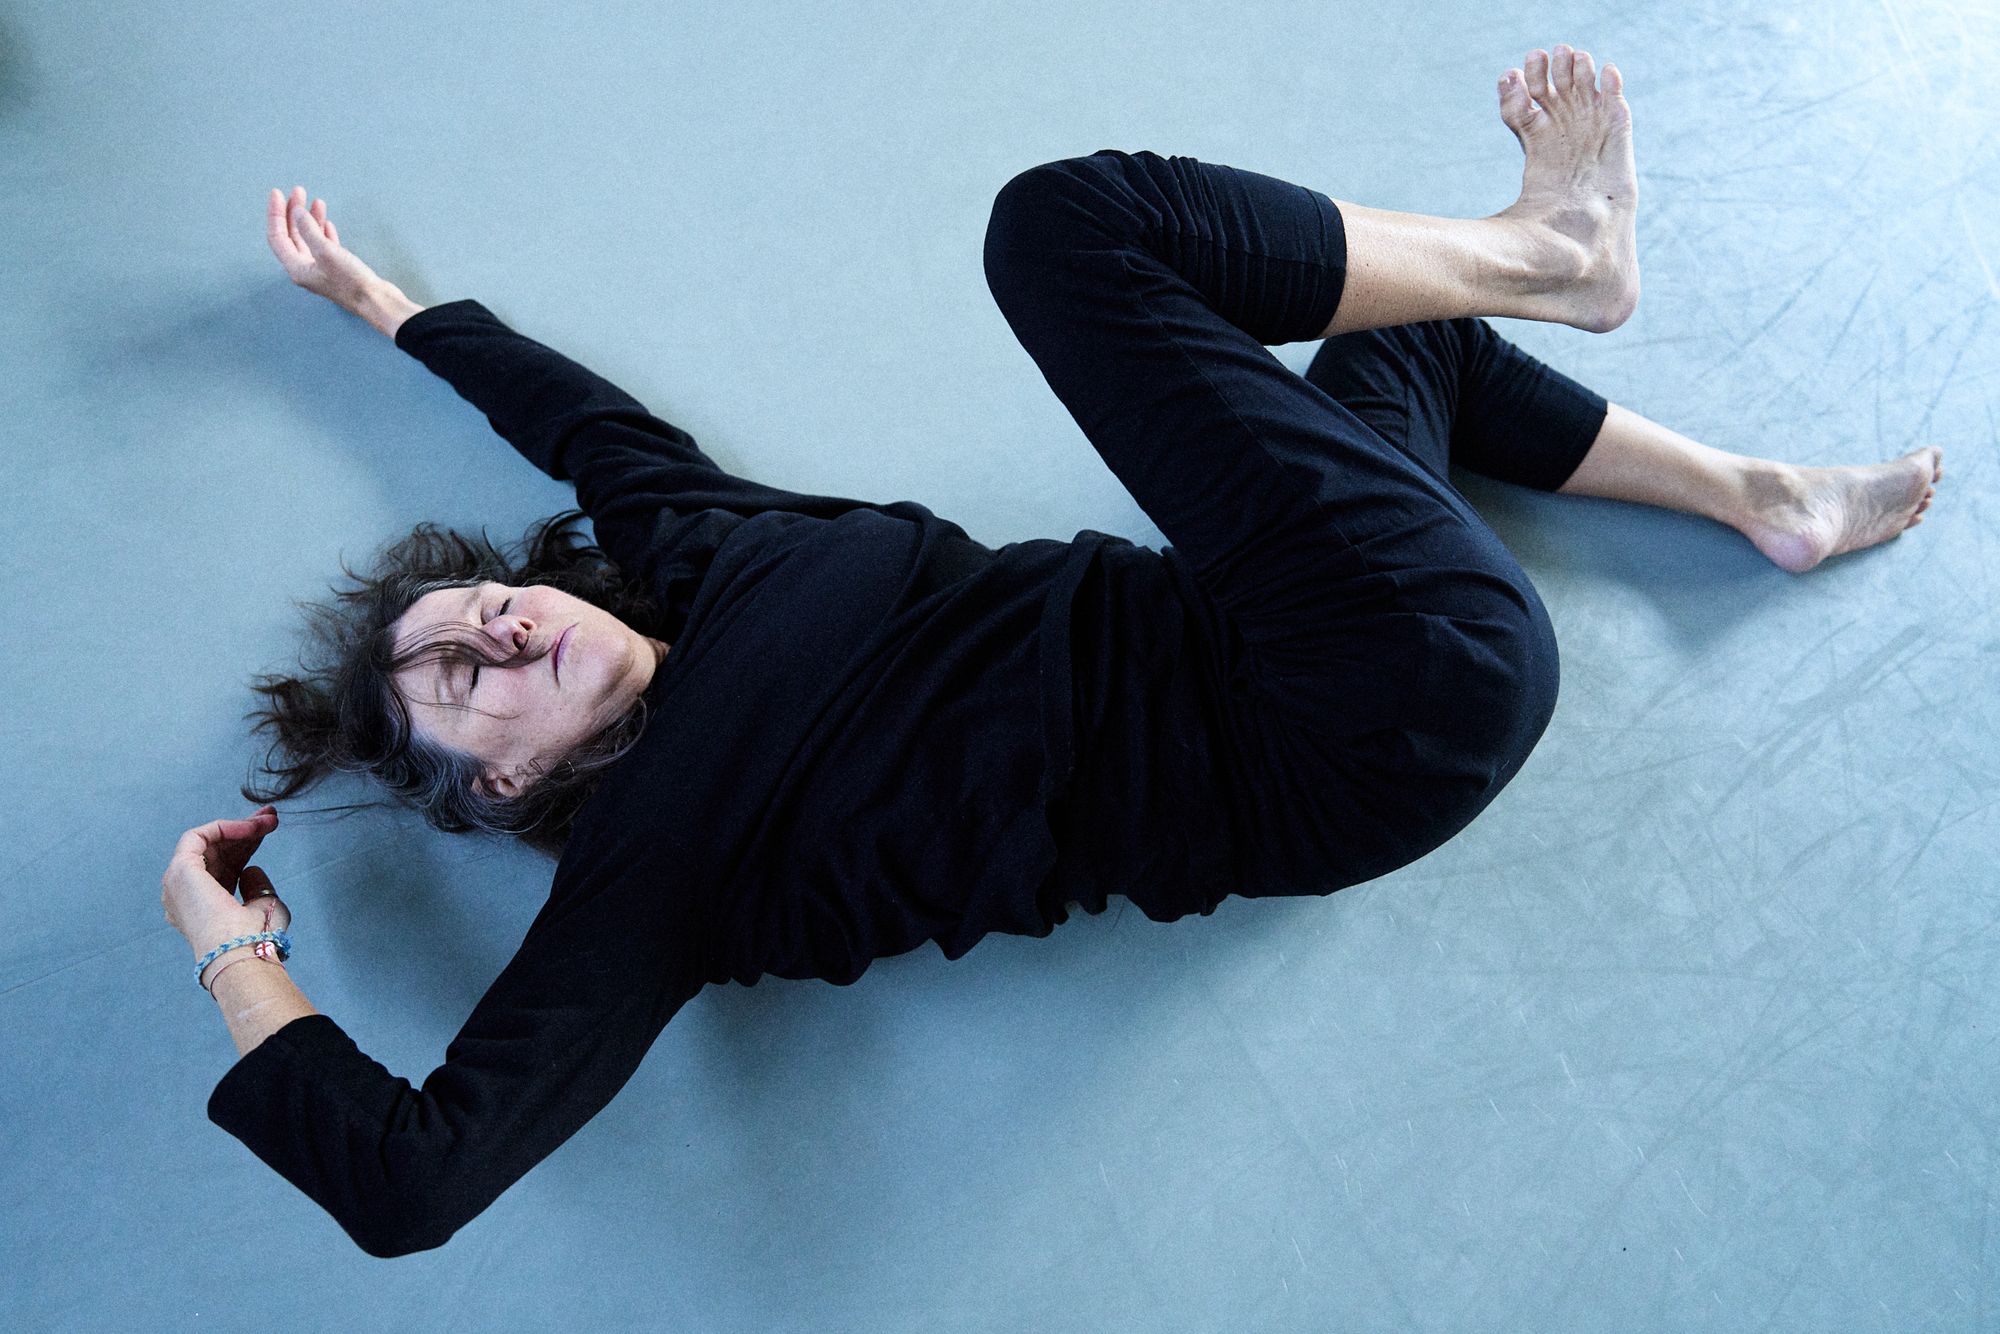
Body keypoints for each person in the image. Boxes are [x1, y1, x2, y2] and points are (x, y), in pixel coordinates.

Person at [162, 45, 1943, 1258]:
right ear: (515, 788)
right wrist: (231, 947)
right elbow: (414, 1179)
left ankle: (1757, 496)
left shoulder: (700, 548)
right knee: (1062, 228)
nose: (491, 635)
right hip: (1357, 717)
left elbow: (579, 422)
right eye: (460, 689)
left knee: (1420, 342)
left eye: (473, 611)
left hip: (1311, 609)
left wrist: (382, 307)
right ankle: (1554, 247)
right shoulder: (656, 868)